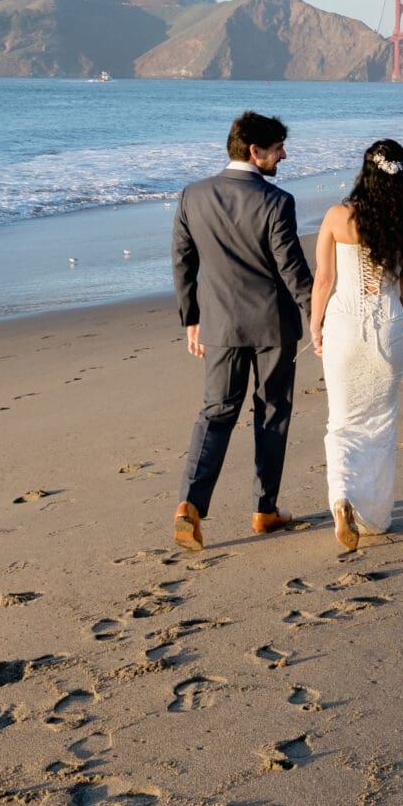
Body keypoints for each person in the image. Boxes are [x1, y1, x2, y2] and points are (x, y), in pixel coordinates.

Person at [169, 111, 314, 550]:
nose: (283, 155)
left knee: (216, 412)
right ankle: (264, 510)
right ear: (255, 151)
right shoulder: (276, 202)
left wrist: (192, 319)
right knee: (272, 414)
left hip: (220, 324)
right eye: (277, 149)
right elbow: (292, 270)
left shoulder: (192, 195)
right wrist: (321, 316)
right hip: (273, 325)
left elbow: (182, 261)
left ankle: (189, 507)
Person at [310, 137, 403, 551]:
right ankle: (374, 517)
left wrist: (315, 325)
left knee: (341, 421)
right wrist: (394, 325)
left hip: (344, 326)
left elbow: (323, 281)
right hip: (388, 326)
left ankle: (342, 499)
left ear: (366, 173)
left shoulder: (338, 217)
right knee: (380, 422)